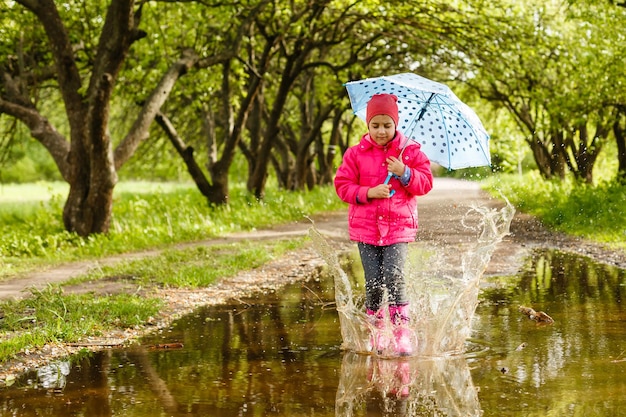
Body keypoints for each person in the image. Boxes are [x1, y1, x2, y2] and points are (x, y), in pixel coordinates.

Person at [334, 93, 433, 356]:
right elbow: (342, 186)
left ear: (396, 125)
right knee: (373, 281)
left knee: (394, 275)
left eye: (387, 125)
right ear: (367, 125)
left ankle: (401, 334)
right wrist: (368, 192)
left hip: (398, 226)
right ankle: (377, 332)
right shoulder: (356, 154)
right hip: (366, 228)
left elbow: (425, 184)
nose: (381, 131)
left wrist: (405, 172)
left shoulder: (410, 153)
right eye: (375, 125)